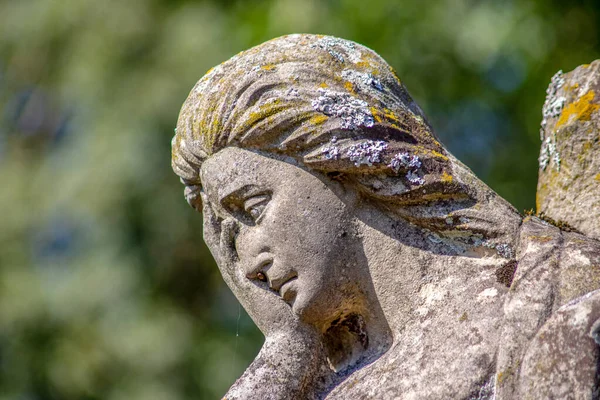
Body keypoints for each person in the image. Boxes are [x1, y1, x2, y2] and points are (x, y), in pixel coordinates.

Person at [172, 34, 600, 399]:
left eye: (253, 208)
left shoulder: (549, 299)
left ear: (336, 165)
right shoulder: (320, 379)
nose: (249, 265)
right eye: (229, 243)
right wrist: (284, 352)